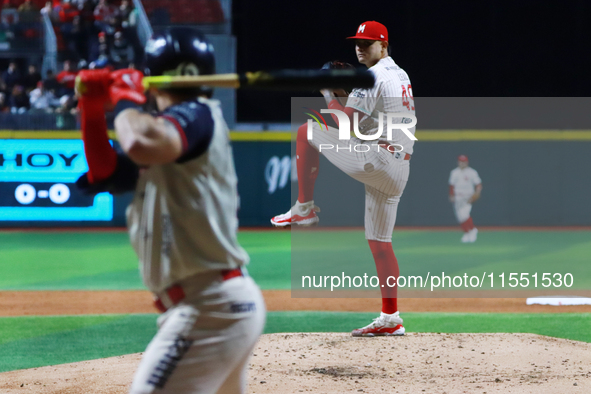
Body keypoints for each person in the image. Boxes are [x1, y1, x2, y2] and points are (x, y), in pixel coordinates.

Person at [75, 26, 265, 393]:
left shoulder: (197, 116)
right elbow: (107, 170)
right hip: (220, 305)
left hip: (208, 309)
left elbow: (142, 141)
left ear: (154, 79)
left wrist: (127, 97)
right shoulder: (178, 136)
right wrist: (92, 108)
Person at [271, 21, 415, 337]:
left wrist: (327, 91)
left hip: (377, 159)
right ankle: (391, 318)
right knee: (380, 243)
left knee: (305, 131)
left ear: (384, 46)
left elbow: (345, 125)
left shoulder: (369, 77)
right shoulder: (399, 73)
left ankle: (304, 207)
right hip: (398, 168)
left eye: (368, 43)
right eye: (357, 43)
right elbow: (366, 124)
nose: (360, 48)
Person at [449, 155, 482, 243]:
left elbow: (478, 184)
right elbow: (451, 185)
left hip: (468, 197)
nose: (462, 163)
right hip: (458, 197)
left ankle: (473, 230)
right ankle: (467, 233)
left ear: (467, 162)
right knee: (460, 217)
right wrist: (451, 195)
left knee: (465, 215)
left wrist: (477, 193)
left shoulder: (472, 172)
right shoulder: (454, 172)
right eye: (461, 161)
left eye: (464, 161)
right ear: (458, 162)